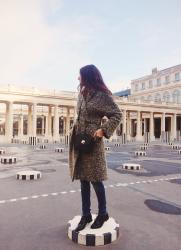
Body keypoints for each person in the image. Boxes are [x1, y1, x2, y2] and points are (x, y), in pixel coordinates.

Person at [68, 64, 122, 232]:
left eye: (80, 75)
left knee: (96, 180)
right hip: (80, 140)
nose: (78, 78)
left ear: (87, 76)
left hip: (93, 141)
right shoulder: (81, 94)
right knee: (83, 178)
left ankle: (103, 213)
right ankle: (86, 215)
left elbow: (117, 114)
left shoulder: (102, 95)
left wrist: (103, 130)